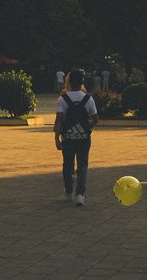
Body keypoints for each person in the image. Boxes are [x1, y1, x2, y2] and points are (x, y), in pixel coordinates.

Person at [54, 68, 98, 206]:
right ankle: (80, 194)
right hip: (83, 137)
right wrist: (86, 126)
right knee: (83, 165)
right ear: (82, 82)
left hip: (68, 137)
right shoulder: (88, 99)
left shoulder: (63, 99)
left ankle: (68, 192)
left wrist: (56, 138)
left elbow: (59, 120)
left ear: (69, 81)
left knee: (67, 165)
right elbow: (95, 118)